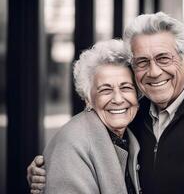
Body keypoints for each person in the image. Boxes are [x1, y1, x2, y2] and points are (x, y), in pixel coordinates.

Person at [28, 12, 184, 194]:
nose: (154, 72)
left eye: (163, 58)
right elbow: (82, 153)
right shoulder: (132, 114)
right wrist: (46, 170)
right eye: (142, 62)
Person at [27, 39, 141, 194]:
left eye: (126, 87)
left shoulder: (131, 133)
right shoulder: (72, 144)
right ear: (88, 100)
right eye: (105, 90)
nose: (118, 99)